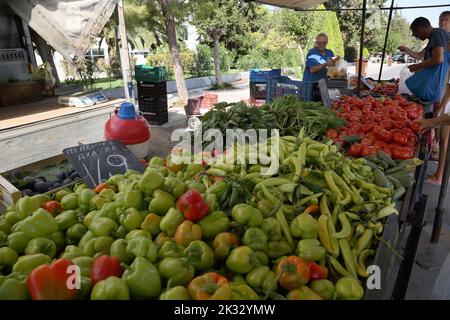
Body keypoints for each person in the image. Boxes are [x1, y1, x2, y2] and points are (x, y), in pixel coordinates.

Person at [414, 12, 450, 185]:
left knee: (442, 133)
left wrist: (417, 67)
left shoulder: (437, 34)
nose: (443, 22)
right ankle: (440, 172)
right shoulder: (439, 36)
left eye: (446, 19)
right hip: (441, 90)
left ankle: (439, 174)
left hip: (440, 91)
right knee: (441, 132)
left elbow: (438, 59)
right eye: (441, 19)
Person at [302, 33, 337, 101]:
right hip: (310, 86)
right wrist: (326, 64)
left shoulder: (330, 52)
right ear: (316, 42)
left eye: (323, 42)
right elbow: (312, 70)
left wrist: (337, 65)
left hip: (323, 85)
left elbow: (331, 68)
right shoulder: (312, 53)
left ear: (327, 42)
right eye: (319, 42)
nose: (321, 44)